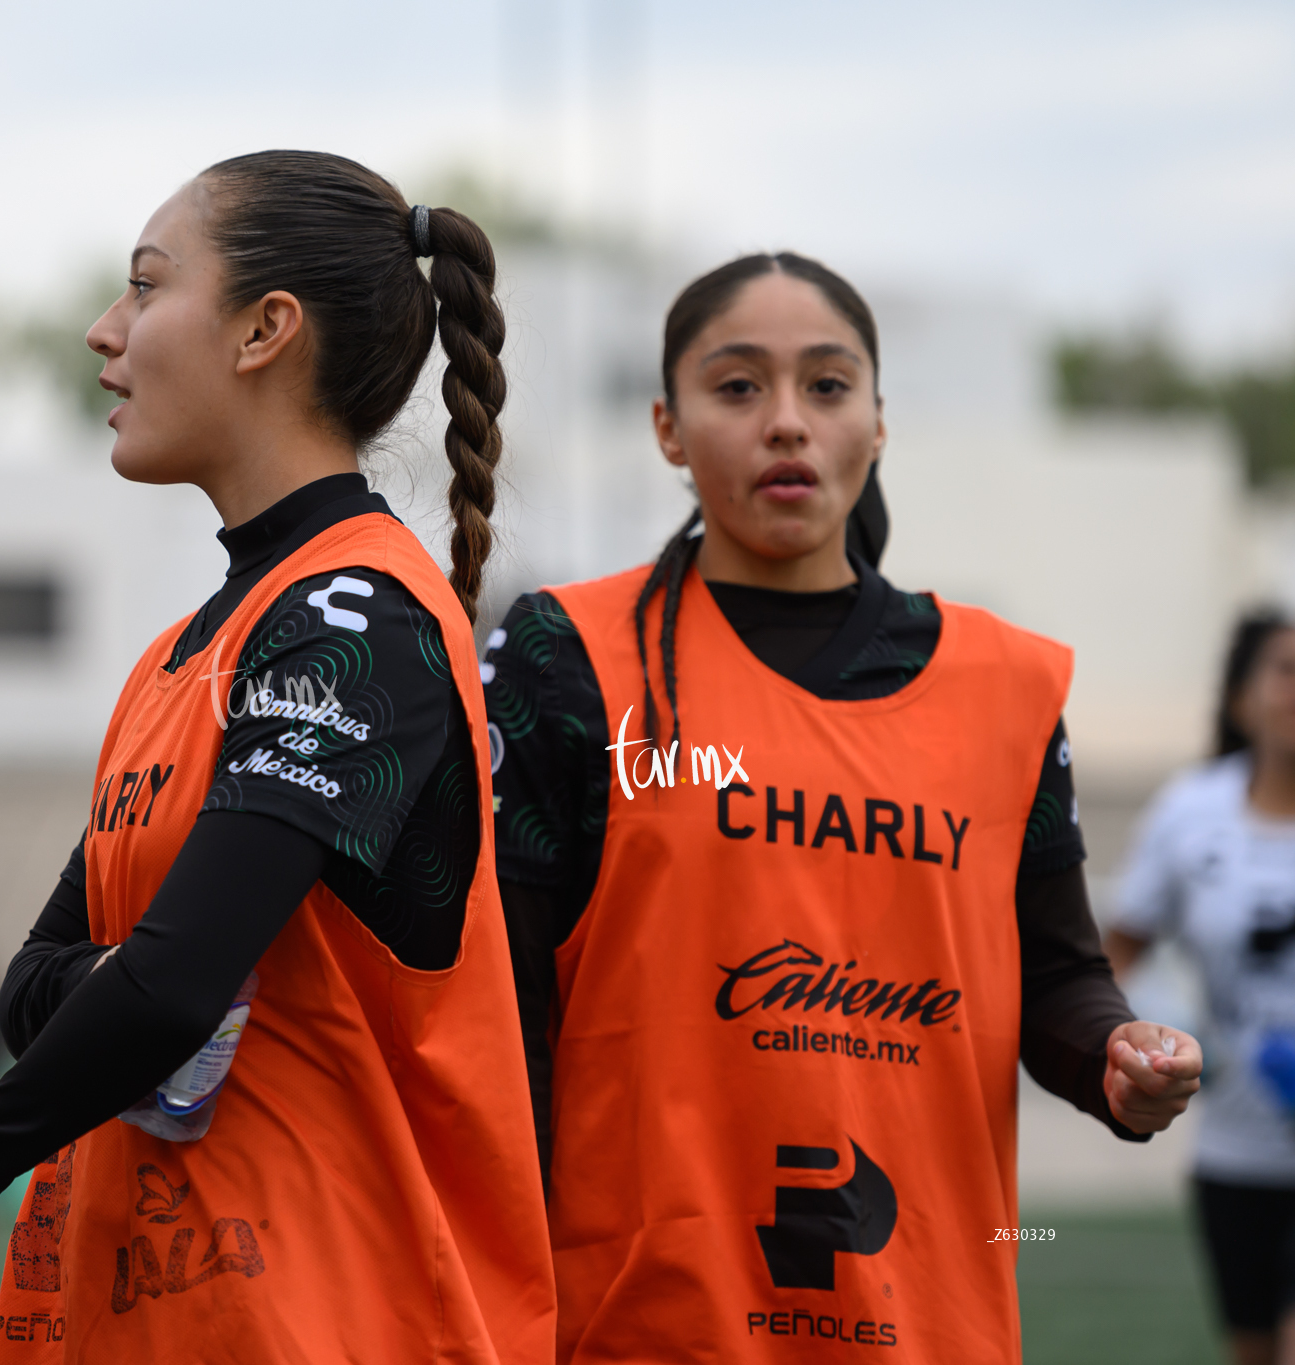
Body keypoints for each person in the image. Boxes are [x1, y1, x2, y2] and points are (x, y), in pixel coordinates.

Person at [0, 152, 554, 1364]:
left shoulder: (356, 622)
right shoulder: (185, 656)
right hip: (156, 1317)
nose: (101, 332)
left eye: (143, 287)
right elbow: (44, 983)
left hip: (332, 1320)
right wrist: (135, 986)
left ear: (264, 330)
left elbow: (165, 991)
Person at [481, 252, 1202, 1362]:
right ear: (667, 429)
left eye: (824, 385)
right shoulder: (567, 655)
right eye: (736, 387)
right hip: (639, 1320)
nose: (785, 422)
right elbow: (505, 1000)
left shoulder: (1004, 687)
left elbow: (1053, 974)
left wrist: (1117, 1054)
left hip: (928, 1323)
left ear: (876, 421)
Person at [1106, 609, 1295, 1365]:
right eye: (1285, 670)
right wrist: (1177, 1033)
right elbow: (1116, 955)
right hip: (1234, 1153)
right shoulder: (1191, 814)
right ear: (1241, 697)